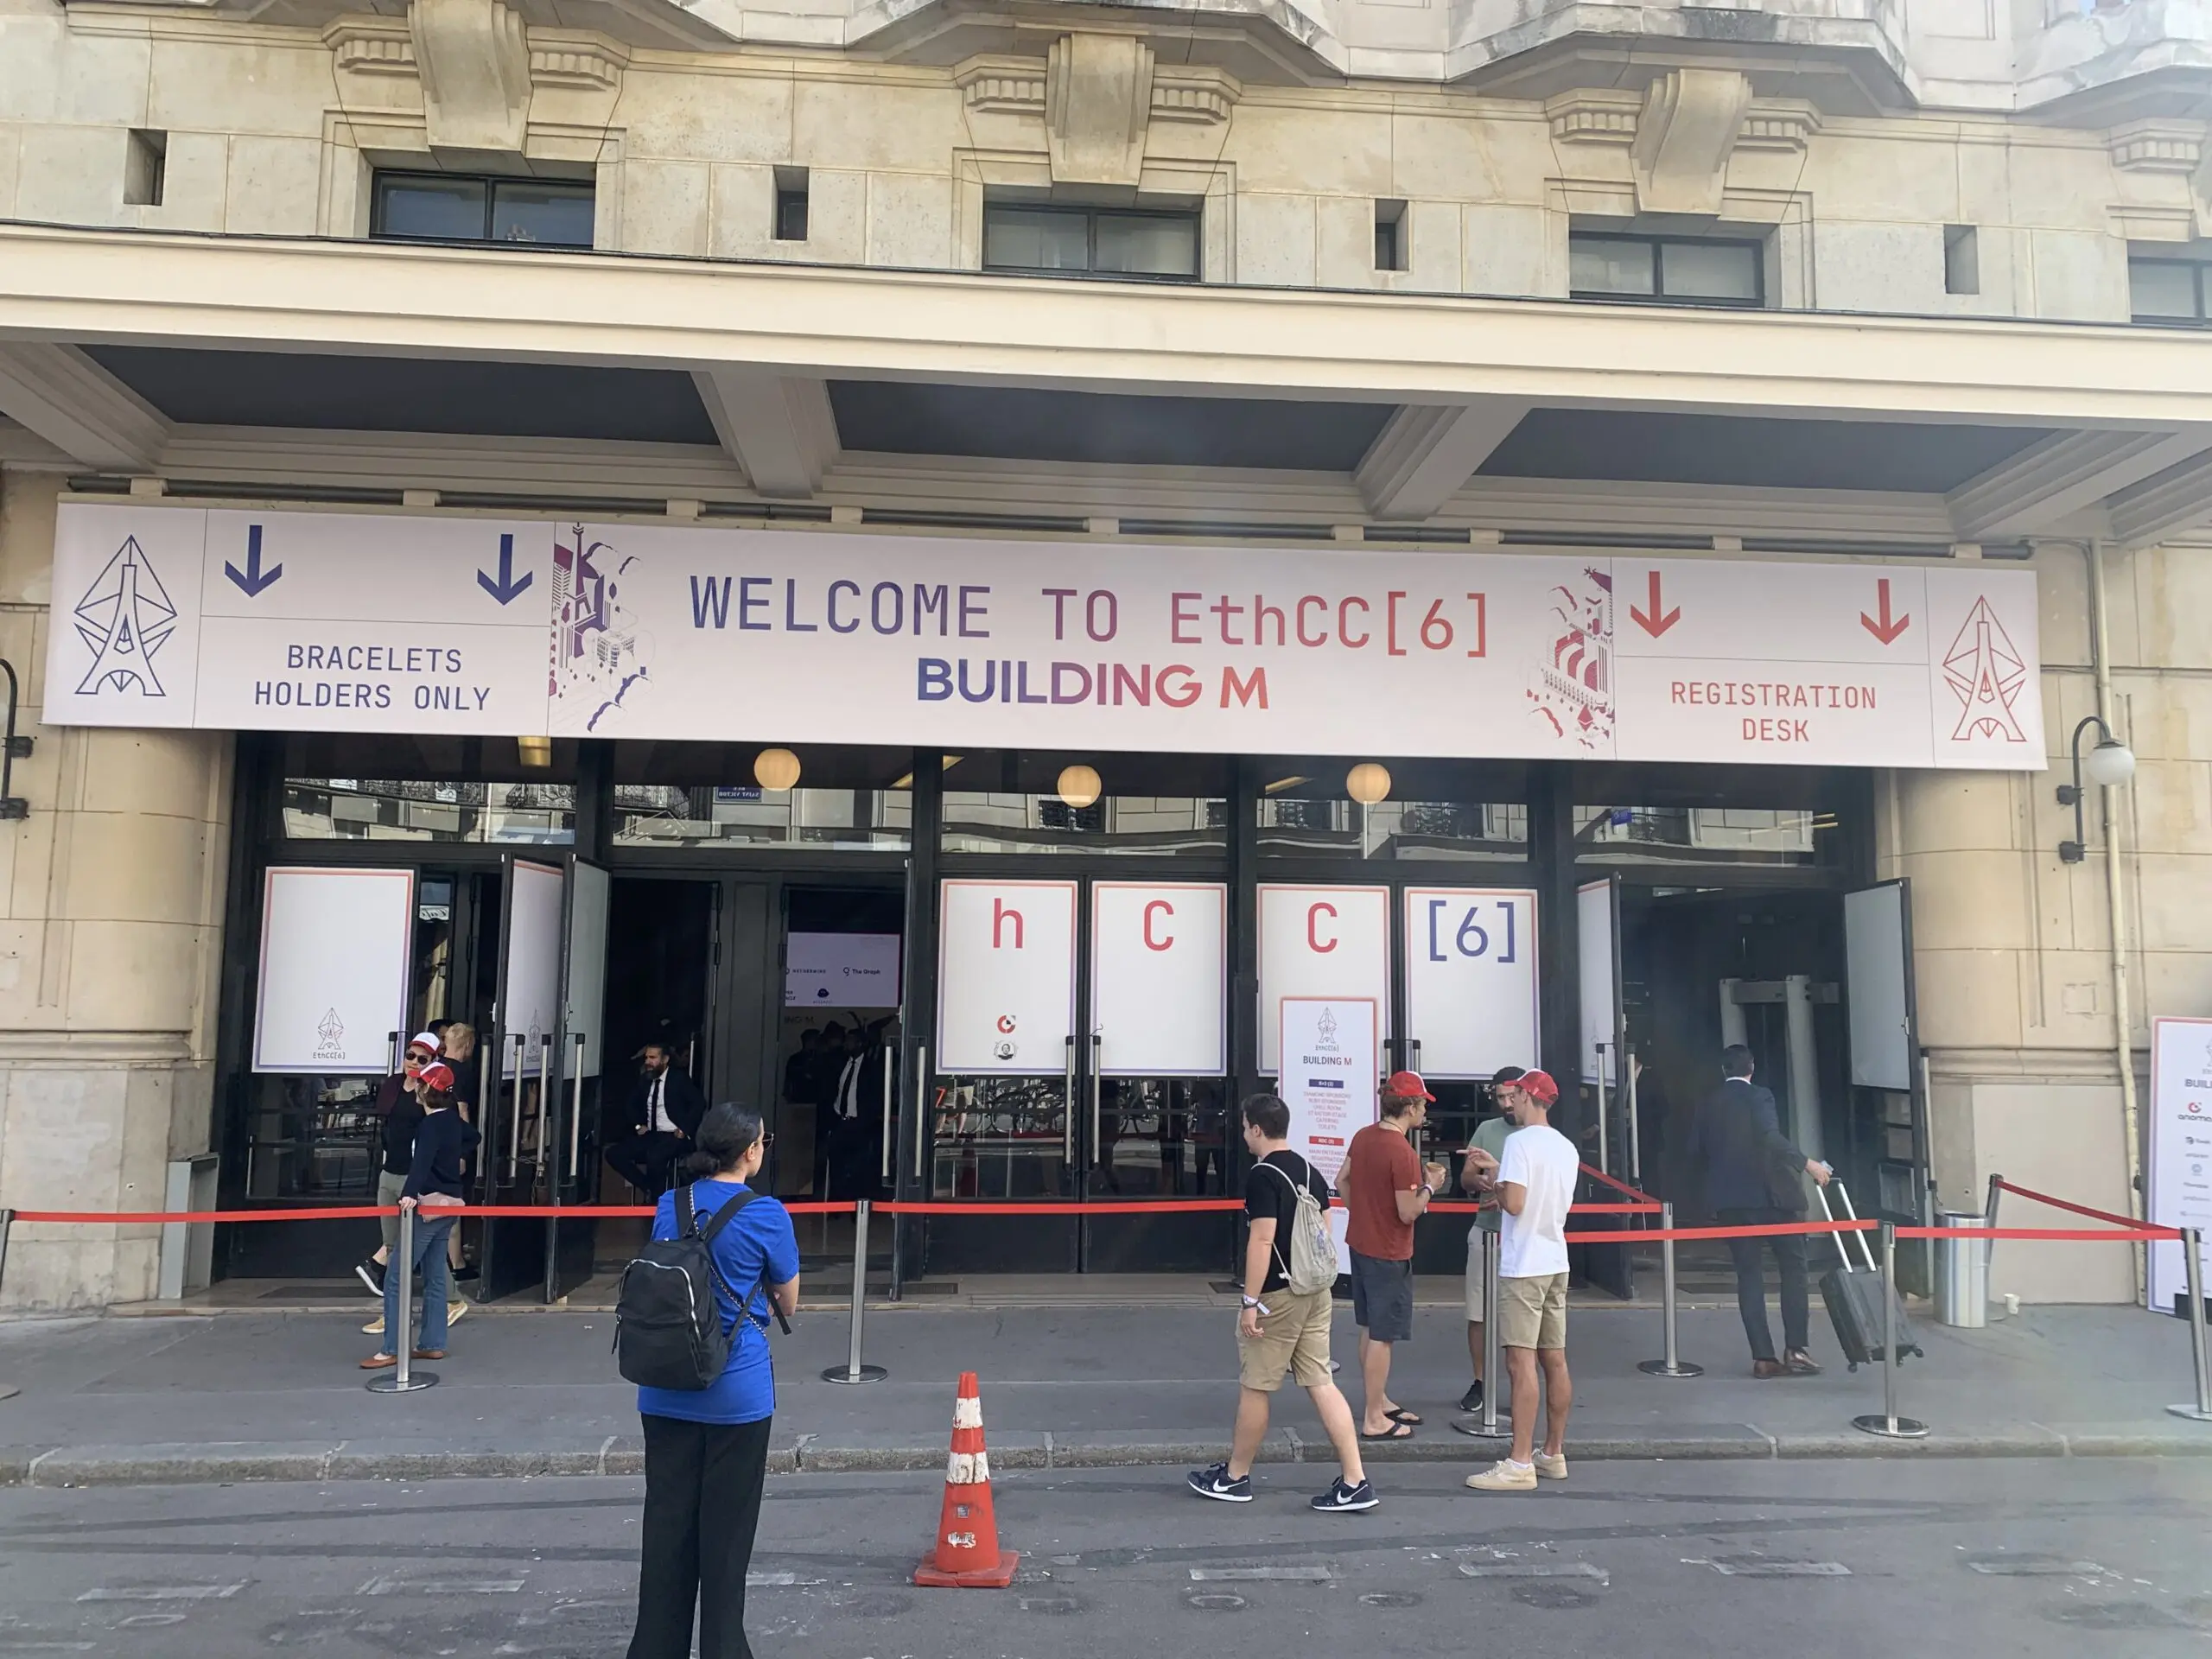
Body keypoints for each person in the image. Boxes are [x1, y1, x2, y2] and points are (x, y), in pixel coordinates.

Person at [629, 1103, 799, 1659]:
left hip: (665, 1382)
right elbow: (788, 1300)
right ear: (750, 1150)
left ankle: (656, 1648)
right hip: (736, 1389)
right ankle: (724, 1649)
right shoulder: (766, 1213)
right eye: (763, 1144)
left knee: (667, 1526)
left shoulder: (670, 1204)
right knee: (726, 1537)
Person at [1186, 1094, 1376, 1512]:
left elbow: (1262, 1238)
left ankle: (1235, 1476)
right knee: (1321, 1382)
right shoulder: (1308, 1167)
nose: (1243, 1134)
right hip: (1315, 1290)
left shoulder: (1263, 1175)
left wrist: (1250, 1301)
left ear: (1256, 1128)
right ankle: (1355, 1479)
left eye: (1244, 1127)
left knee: (1256, 1385)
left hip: (1279, 1294)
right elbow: (1323, 1230)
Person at [1463, 1069, 1578, 1492]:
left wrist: (1494, 1177)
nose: (1509, 1102)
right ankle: (1553, 1453)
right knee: (1556, 1359)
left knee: (1520, 1362)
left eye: (1516, 1096)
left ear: (1528, 1096)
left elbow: (1513, 1203)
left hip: (1522, 1262)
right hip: (1555, 1257)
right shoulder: (1565, 1146)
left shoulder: (1518, 1142)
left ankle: (1519, 1461)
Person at [1688, 1044, 1834, 1378]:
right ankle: (1796, 1348)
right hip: (1772, 1199)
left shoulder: (1708, 1103)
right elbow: (1769, 1137)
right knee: (1795, 1268)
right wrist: (1808, 1164)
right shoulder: (1760, 1097)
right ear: (1751, 1068)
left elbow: (1696, 1150)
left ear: (1724, 1071)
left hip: (1730, 1203)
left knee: (1749, 1275)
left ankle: (1763, 1357)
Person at [1339, 1071, 1447, 1440]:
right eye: (1422, 1105)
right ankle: (1373, 1417)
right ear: (1410, 1106)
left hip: (1361, 1243)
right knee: (1383, 1335)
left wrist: (1362, 1215)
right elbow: (1407, 1212)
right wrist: (1431, 1187)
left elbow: (1342, 1180)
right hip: (1389, 1251)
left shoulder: (1364, 1136)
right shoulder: (1402, 1152)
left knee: (1369, 1327)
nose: (1424, 1112)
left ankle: (1378, 1400)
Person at [360, 1060, 478, 1370]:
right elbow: (473, 1137)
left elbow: (421, 1163)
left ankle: (391, 1348)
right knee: (436, 1274)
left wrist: (410, 1193)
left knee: (397, 1278)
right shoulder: (451, 1121)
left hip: (427, 1204)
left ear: (425, 1090)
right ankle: (432, 1343)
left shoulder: (429, 1125)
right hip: (451, 1202)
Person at [1456, 1065, 1526, 1414]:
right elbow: (1467, 1177)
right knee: (1478, 1313)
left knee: (1517, 1316)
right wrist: (1481, 1182)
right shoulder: (1487, 1129)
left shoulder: (1539, 1134)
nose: (1506, 1104)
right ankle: (1481, 1382)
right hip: (1485, 1231)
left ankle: (1518, 1386)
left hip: (1521, 1238)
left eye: (1511, 1096)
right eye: (1500, 1097)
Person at [356, 1032, 436, 1300]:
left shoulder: (430, 1092)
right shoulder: (393, 1085)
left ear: (432, 1063)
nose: (413, 1062)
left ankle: (445, 1296)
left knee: (419, 1239)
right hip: (390, 1169)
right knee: (393, 1239)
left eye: (422, 1059)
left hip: (415, 1174)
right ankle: (387, 1284)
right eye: (410, 1056)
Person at [607, 1043, 707, 1198]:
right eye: (647, 1057)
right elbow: (630, 1104)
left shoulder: (678, 1079)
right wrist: (638, 1125)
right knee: (614, 1154)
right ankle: (648, 1187)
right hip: (652, 1134)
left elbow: (698, 1103)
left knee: (655, 1157)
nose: (648, 1061)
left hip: (673, 1135)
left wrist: (684, 1129)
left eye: (653, 1058)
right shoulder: (645, 1080)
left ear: (665, 1059)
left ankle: (656, 1200)